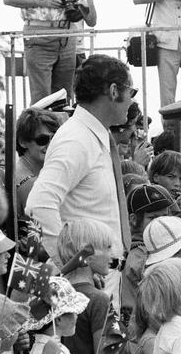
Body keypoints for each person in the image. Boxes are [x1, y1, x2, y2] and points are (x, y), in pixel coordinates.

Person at [26, 54, 135, 264]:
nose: (132, 101)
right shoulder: (75, 140)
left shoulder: (90, 136)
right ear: (114, 91)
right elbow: (39, 203)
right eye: (131, 92)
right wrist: (70, 264)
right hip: (88, 282)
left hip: (105, 274)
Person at [57, 219, 129, 354]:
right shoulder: (97, 299)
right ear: (86, 254)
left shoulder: (58, 293)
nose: (112, 255)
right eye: (107, 248)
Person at [4, 0, 89, 104]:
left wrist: (77, 6)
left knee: (63, 98)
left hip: (67, 34)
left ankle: (59, 127)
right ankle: (39, 126)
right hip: (39, 33)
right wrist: (42, 0)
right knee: (41, 98)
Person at [121, 184, 177, 324]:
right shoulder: (140, 258)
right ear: (133, 220)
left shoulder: (158, 248)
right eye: (153, 218)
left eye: (164, 216)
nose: (161, 223)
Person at [15, 107, 62, 220]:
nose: (50, 145)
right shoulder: (31, 183)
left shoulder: (18, 171)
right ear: (23, 142)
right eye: (42, 140)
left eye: (54, 138)